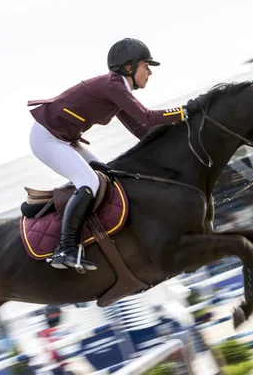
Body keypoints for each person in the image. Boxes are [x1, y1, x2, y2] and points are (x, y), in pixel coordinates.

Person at [27, 38, 189, 271]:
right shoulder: (114, 85)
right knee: (89, 181)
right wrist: (184, 112)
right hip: (46, 138)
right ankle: (65, 248)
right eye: (146, 66)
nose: (150, 72)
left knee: (106, 173)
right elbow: (147, 117)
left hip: (62, 138)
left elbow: (141, 130)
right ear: (128, 67)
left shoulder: (117, 89)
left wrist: (176, 139)